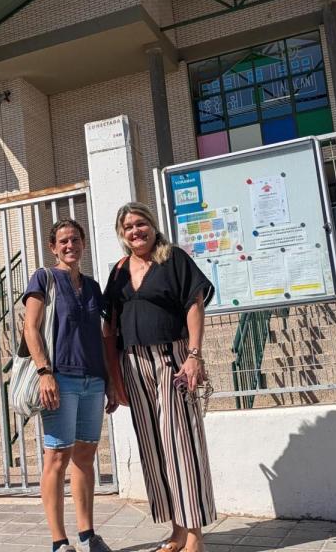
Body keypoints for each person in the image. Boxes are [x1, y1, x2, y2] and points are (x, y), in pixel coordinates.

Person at [103, 202, 216, 552]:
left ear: (152, 226)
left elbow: (194, 304)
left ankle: (195, 533)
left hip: (172, 358)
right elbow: (110, 323)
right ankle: (177, 531)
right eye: (128, 227)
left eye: (141, 224)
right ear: (121, 234)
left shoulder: (174, 259)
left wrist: (194, 355)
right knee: (153, 448)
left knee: (182, 444)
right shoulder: (120, 270)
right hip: (134, 364)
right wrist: (112, 376)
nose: (135, 231)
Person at [22, 218, 115, 552]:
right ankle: (59, 541)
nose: (70, 245)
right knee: (57, 457)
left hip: (93, 379)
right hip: (60, 378)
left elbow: (103, 335)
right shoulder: (44, 278)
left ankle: (88, 534)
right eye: (63, 241)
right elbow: (30, 328)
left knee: (86, 456)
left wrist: (110, 382)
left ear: (83, 243)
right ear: (53, 247)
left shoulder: (92, 287)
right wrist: (44, 372)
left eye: (75, 239)